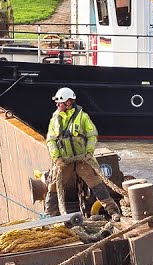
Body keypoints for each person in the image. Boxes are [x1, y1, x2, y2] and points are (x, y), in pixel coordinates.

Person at [45, 88, 122, 219]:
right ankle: (48, 215)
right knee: (54, 186)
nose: (58, 105)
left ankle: (113, 211)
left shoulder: (83, 117)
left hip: (82, 160)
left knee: (96, 184)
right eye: (57, 103)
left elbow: (92, 136)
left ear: (69, 102)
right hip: (64, 161)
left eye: (60, 103)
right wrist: (57, 158)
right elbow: (51, 141)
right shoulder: (55, 119)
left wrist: (89, 152)